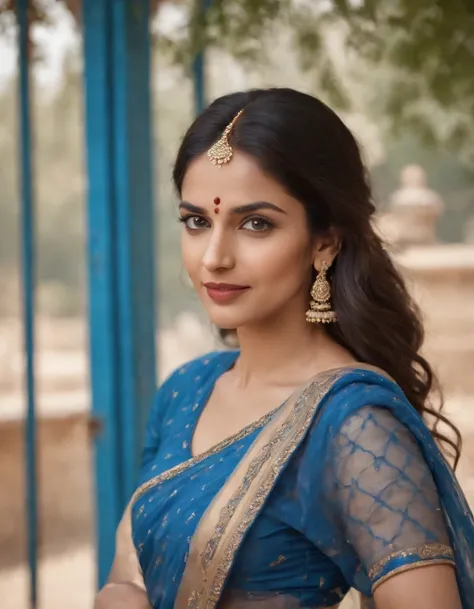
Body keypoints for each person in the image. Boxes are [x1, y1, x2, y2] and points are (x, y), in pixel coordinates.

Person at [94, 88, 474, 609]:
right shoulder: (186, 389)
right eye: (196, 221)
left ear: (325, 241)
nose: (214, 257)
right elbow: (129, 573)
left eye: (256, 224)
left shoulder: (353, 424)